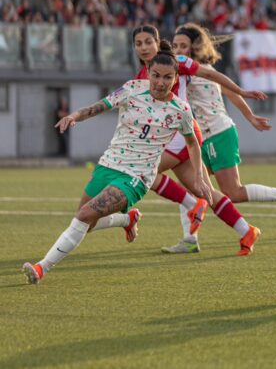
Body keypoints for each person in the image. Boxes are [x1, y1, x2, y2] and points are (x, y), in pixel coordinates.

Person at [22, 49, 212, 284]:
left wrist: (200, 176)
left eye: (167, 77)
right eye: (156, 75)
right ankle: (126, 219)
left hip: (137, 177)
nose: (160, 82)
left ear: (175, 79)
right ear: (148, 73)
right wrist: (75, 116)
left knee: (83, 216)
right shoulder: (132, 88)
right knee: (86, 224)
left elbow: (193, 143)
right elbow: (99, 106)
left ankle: (41, 268)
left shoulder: (180, 110)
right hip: (109, 164)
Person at [162, 23, 276, 253]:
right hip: (200, 137)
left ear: (195, 48)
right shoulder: (190, 69)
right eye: (175, 45)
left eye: (184, 45)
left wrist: (250, 116)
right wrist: (249, 116)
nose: (178, 49)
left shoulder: (194, 70)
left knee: (233, 192)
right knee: (193, 188)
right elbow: (226, 89)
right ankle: (190, 241)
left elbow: (229, 90)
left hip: (217, 134)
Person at [130, 25, 267, 256]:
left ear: (157, 42)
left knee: (143, 172)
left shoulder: (178, 61)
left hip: (181, 136)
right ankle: (246, 230)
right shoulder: (141, 76)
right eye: (138, 43)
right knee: (203, 189)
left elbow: (212, 74)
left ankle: (192, 206)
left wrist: (241, 91)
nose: (144, 48)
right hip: (178, 138)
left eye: (148, 42)